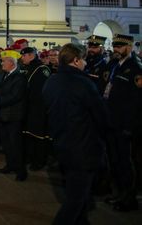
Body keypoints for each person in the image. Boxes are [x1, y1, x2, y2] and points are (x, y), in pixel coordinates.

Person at [42, 43, 109, 224]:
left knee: (78, 195)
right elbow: (101, 117)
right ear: (76, 60)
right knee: (75, 200)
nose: (86, 64)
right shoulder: (84, 83)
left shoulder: (52, 81)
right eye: (84, 60)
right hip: (83, 148)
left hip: (61, 145)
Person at [102, 33, 142, 211]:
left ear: (129, 47)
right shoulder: (116, 66)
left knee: (127, 162)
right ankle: (120, 193)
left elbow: (137, 101)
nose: (116, 49)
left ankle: (129, 198)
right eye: (115, 46)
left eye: (120, 46)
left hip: (126, 125)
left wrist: (130, 126)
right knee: (116, 160)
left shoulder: (135, 68)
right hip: (113, 121)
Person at [0, 50, 28, 181]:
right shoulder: (2, 74)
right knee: (6, 143)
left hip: (13, 116)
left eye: (4, 61)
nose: (1, 63)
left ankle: (20, 170)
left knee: (15, 144)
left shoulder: (19, 77)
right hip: (2, 114)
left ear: (11, 63)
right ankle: (10, 165)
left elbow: (15, 96)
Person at [19, 47, 51, 171]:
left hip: (38, 108)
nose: (22, 58)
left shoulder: (42, 69)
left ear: (31, 55)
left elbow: (40, 91)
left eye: (24, 56)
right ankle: (30, 157)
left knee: (38, 135)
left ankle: (39, 160)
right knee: (28, 133)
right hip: (28, 106)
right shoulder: (26, 67)